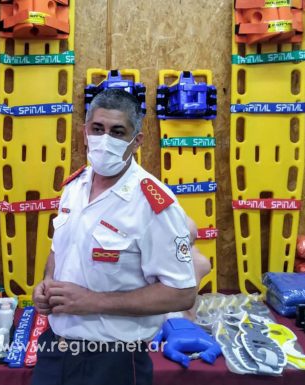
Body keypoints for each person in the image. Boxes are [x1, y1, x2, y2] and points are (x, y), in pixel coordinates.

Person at [31, 88, 199, 385]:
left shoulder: (153, 203)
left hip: (114, 359)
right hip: (55, 345)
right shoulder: (74, 187)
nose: (105, 139)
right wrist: (46, 285)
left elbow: (182, 292)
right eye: (98, 129)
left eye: (117, 132)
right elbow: (60, 250)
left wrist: (93, 301)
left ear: (137, 141)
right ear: (84, 132)